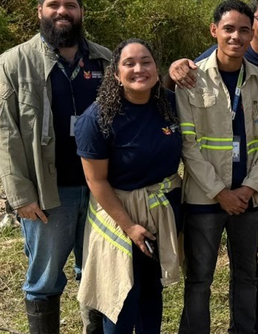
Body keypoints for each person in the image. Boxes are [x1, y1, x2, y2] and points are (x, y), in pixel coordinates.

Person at [0, 0, 108, 334]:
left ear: (81, 12)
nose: (62, 11)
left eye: (70, 5)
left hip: (101, 192)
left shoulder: (106, 60)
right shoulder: (13, 63)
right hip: (49, 195)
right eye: (54, 5)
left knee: (97, 273)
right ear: (40, 11)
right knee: (44, 279)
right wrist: (20, 195)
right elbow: (2, 133)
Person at [169, 0, 258, 333]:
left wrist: (249, 188)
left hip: (249, 199)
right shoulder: (192, 79)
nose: (236, 36)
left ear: (251, 34)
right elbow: (188, 145)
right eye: (228, 28)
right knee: (200, 278)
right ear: (214, 30)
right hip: (204, 199)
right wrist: (220, 192)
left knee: (247, 274)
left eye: (243, 30)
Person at [75, 38, 184, 333]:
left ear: (156, 68)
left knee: (151, 290)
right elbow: (96, 180)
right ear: (116, 74)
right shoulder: (97, 118)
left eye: (146, 62)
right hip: (118, 213)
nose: (139, 69)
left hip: (161, 210)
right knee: (121, 295)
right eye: (129, 64)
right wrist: (130, 226)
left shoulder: (170, 105)